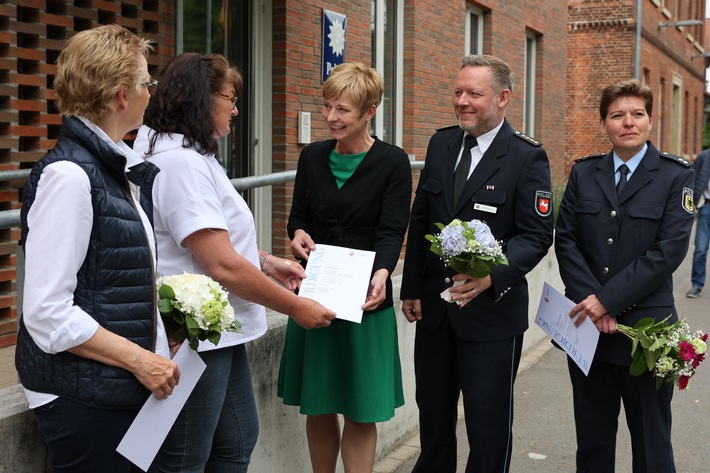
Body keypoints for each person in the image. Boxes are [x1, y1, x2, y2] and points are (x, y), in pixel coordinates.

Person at [133, 52, 336, 473]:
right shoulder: (181, 164)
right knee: (187, 458)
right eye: (230, 97)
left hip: (216, 330)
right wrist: (296, 307)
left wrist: (262, 261)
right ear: (199, 100)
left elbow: (206, 243)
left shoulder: (187, 153)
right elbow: (221, 264)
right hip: (197, 334)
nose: (236, 107)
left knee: (237, 440)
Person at [15, 24, 180, 473]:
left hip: (110, 388)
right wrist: (142, 360)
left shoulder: (108, 167)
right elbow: (47, 311)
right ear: (122, 96)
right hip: (84, 399)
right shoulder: (70, 176)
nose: (153, 91)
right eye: (148, 81)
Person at [400, 54, 554, 472]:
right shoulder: (441, 143)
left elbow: (537, 235)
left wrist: (491, 277)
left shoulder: (526, 157)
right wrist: (411, 287)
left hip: (491, 318)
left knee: (487, 429)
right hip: (434, 313)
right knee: (433, 419)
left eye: (474, 93)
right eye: (458, 92)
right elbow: (421, 218)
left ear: (503, 98)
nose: (462, 101)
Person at [277, 62, 412, 473]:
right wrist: (297, 232)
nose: (331, 117)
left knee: (361, 409)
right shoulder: (312, 157)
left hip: (366, 296)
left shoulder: (393, 162)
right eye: (328, 107)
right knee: (319, 405)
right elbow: (298, 214)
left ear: (369, 111)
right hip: (315, 291)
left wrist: (384, 274)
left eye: (343, 110)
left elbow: (392, 230)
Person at [555, 79, 695, 472]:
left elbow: (668, 251)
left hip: (646, 334)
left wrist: (607, 300)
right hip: (588, 331)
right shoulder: (584, 173)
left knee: (652, 445)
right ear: (604, 123)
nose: (628, 122)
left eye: (637, 114)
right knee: (593, 443)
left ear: (651, 121)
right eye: (618, 115)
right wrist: (593, 303)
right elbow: (566, 241)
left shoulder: (674, 176)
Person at [686, 148, 710, 298]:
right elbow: (693, 180)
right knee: (701, 248)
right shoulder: (704, 156)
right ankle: (697, 284)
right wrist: (694, 202)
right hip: (706, 207)